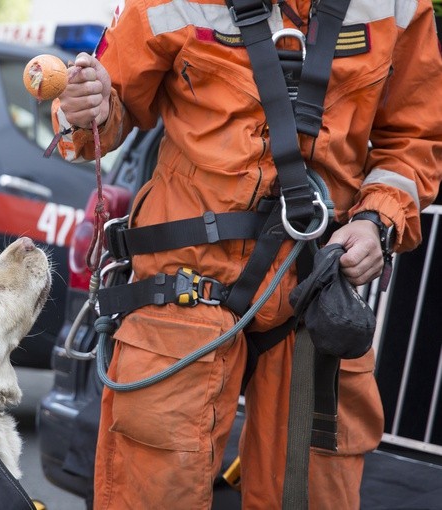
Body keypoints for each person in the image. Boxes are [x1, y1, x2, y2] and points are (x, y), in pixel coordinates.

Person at [51, 0, 442, 508]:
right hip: (184, 285)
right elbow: (103, 108)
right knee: (152, 491)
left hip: (314, 289)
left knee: (312, 495)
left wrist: (377, 221)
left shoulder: (398, 6)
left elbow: (416, 138)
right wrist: (88, 110)